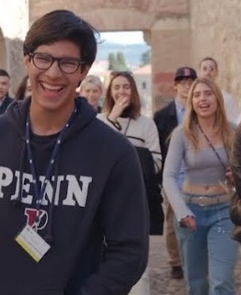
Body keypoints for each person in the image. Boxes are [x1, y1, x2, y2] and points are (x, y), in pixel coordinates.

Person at [0, 10, 149, 295]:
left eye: (67, 63)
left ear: (83, 70)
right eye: (44, 58)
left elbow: (129, 252)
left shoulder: (113, 152)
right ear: (27, 61)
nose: (53, 72)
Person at [163, 77, 238, 295]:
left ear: (217, 98)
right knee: (196, 284)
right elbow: (168, 176)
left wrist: (236, 175)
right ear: (191, 102)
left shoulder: (232, 131)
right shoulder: (181, 134)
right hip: (190, 211)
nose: (202, 99)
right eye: (197, 95)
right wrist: (182, 212)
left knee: (221, 281)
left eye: (207, 93)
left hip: (224, 211)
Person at [97, 71, 163, 295]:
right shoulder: (99, 122)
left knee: (135, 259)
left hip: (136, 200)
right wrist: (111, 120)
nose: (121, 91)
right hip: (103, 201)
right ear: (110, 92)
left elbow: (156, 162)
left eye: (126, 87)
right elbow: (93, 158)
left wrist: (128, 161)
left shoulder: (146, 124)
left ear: (133, 90)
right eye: (116, 87)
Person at [153, 66, 197, 280]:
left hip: (197, 175)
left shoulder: (202, 110)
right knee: (173, 220)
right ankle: (176, 261)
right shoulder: (162, 116)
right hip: (174, 176)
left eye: (191, 82)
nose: (187, 86)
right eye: (183, 82)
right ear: (176, 86)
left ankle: (195, 257)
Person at [199, 56, 239, 124]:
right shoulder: (194, 98)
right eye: (205, 69)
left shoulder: (227, 98)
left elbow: (233, 122)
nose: (208, 72)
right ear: (200, 72)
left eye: (212, 69)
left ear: (217, 72)